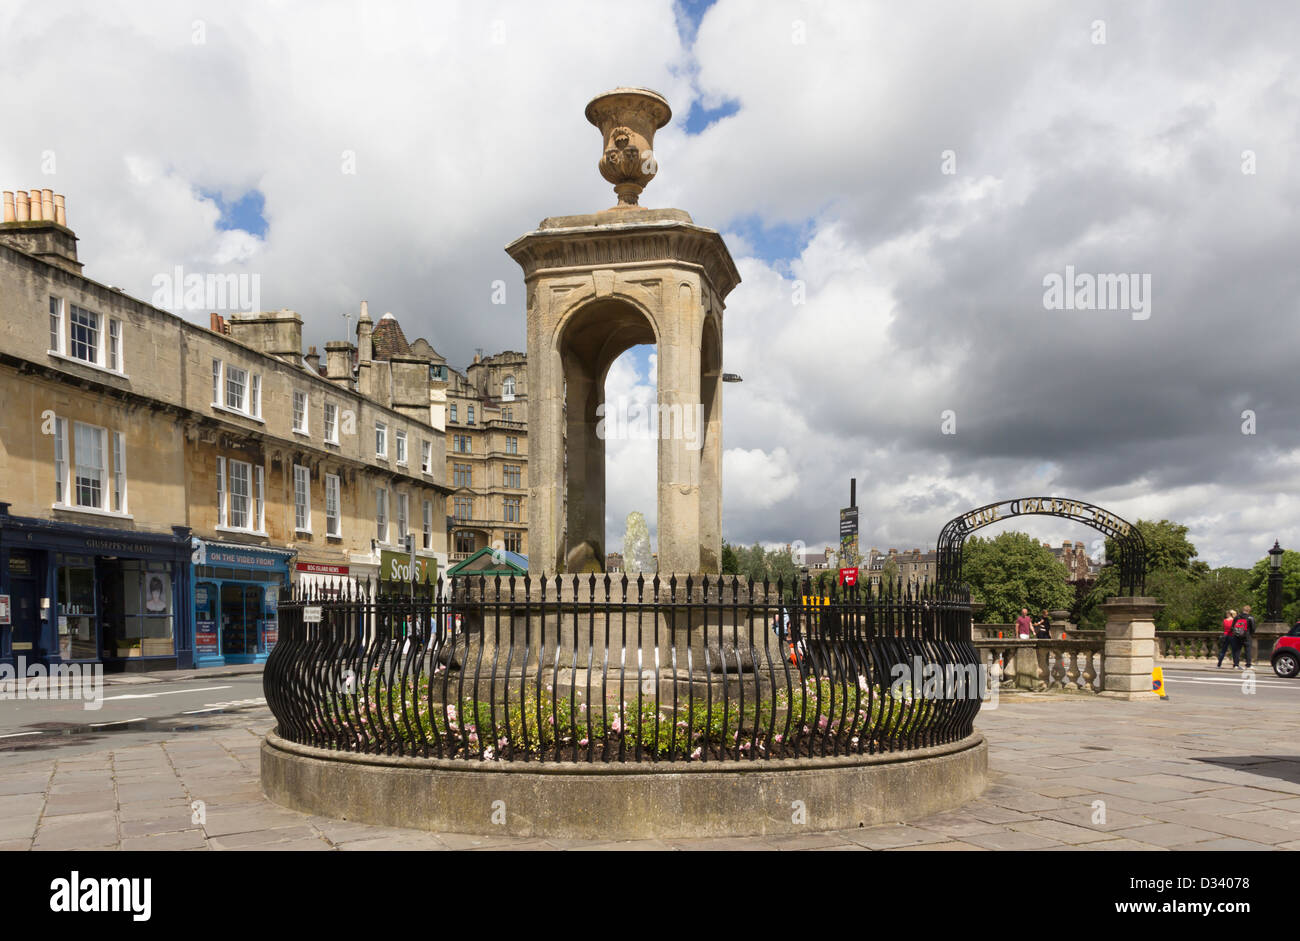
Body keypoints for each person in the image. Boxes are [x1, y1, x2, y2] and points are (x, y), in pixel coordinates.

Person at [1240, 604, 1256, 669]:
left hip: (1238, 635)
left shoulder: (1238, 616)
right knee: (1248, 650)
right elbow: (1253, 628)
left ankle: (1236, 664)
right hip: (1247, 635)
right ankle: (1248, 664)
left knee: (1237, 650)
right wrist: (1251, 633)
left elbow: (1233, 626)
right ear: (1249, 610)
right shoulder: (1250, 617)